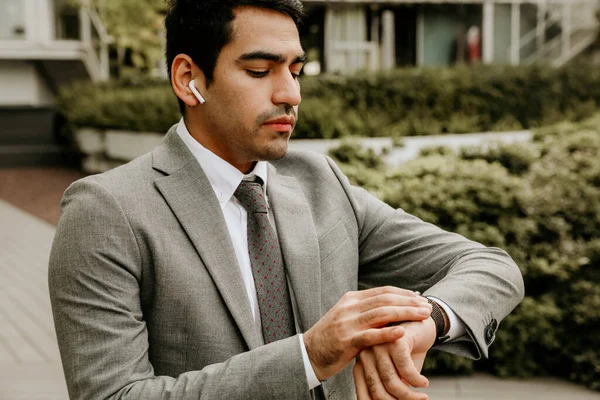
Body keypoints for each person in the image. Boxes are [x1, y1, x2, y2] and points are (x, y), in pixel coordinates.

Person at [48, 1, 524, 399]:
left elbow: (490, 265)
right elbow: (113, 395)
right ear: (188, 78)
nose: (291, 93)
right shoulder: (106, 210)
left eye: (296, 70)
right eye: (260, 70)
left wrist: (429, 322)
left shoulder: (320, 180)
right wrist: (310, 355)